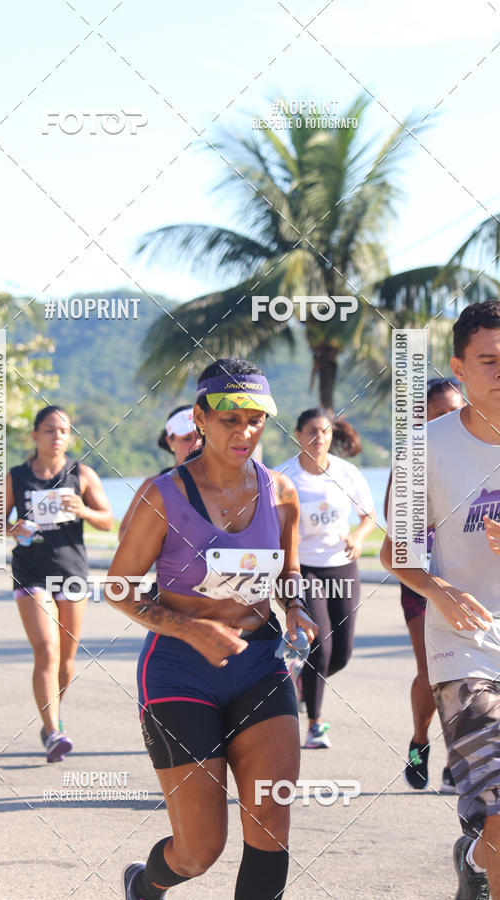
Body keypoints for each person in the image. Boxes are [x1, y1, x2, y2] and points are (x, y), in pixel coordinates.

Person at [106, 358, 317, 900]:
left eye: (255, 420)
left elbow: (289, 572)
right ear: (200, 417)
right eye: (230, 419)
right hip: (180, 673)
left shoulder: (281, 493)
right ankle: (145, 884)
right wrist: (189, 629)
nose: (245, 433)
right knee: (199, 850)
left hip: (260, 665)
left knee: (271, 823)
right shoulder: (165, 495)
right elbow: (119, 587)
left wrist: (294, 609)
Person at [381, 300, 500, 900]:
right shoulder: (425, 448)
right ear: (459, 368)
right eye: (490, 360)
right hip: (466, 652)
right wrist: (437, 587)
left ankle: (475, 855)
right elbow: (395, 550)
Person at [6, 405, 113, 762]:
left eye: (64, 431)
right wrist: (11, 528)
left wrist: (82, 510)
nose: (57, 437)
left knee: (67, 660)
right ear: (35, 435)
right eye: (50, 430)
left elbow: (107, 521)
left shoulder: (80, 474)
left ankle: (51, 716)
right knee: (47, 650)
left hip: (71, 573)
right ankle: (53, 732)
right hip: (31, 572)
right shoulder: (18, 476)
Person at [383, 377, 465, 794]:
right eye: (439, 412)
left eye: (455, 409)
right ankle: (420, 741)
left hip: (469, 579)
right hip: (421, 576)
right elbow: (392, 523)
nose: (449, 418)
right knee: (431, 669)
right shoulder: (415, 454)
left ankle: (458, 756)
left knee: (466, 673)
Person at [276, 409, 375, 749]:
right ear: (298, 435)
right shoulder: (284, 477)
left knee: (342, 653)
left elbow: (368, 515)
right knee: (321, 643)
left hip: (341, 564)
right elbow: (267, 522)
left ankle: (301, 682)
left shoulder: (346, 473)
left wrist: (359, 537)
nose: (319, 439)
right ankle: (315, 725)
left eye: (325, 432)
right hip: (302, 568)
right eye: (312, 432)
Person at [118, 406, 201, 540]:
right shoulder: (153, 485)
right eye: (186, 438)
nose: (196, 444)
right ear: (170, 442)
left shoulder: (229, 481)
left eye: (201, 436)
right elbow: (124, 532)